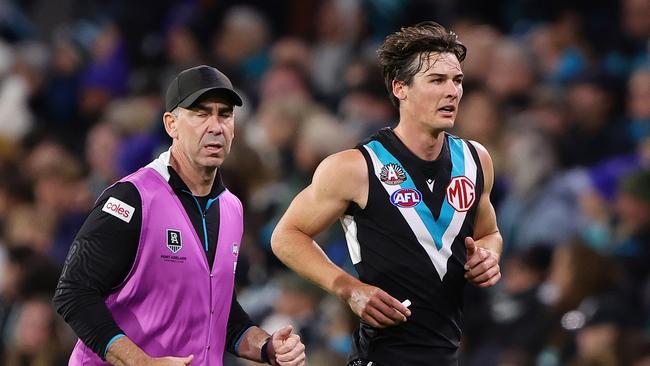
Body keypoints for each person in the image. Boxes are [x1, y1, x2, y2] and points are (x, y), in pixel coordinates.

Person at [271, 21, 502, 366]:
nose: (452, 91)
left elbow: (489, 234)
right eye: (437, 80)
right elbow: (286, 236)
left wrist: (488, 256)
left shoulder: (476, 160)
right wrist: (348, 288)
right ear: (400, 88)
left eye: (457, 80)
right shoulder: (355, 167)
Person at [53, 65, 306, 366]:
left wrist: (266, 346)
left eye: (224, 114)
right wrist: (142, 362)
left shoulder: (231, 208)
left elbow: (215, 309)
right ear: (171, 124)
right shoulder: (132, 198)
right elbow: (73, 293)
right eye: (201, 113)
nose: (216, 126)